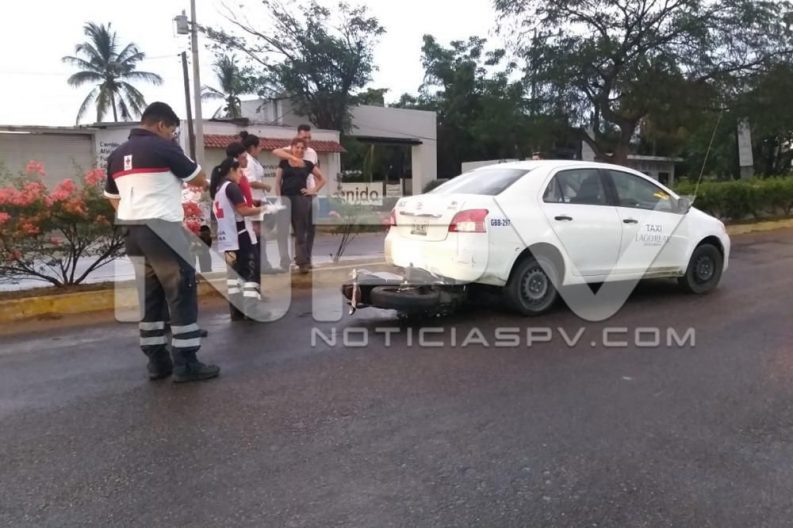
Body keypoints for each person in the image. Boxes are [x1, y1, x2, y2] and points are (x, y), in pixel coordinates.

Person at [104, 102, 219, 383]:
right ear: (161, 125)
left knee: (151, 296)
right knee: (180, 291)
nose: (172, 135)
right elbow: (199, 179)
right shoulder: (164, 147)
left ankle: (157, 362)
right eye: (172, 130)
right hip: (162, 230)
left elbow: (111, 196)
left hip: (132, 231)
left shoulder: (117, 155)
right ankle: (186, 363)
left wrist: (134, 212)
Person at [210, 157, 267, 320]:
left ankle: (236, 311)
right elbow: (243, 211)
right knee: (250, 272)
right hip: (241, 236)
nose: (241, 175)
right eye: (240, 171)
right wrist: (263, 209)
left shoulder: (218, 189)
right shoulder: (232, 188)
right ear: (232, 170)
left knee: (234, 276)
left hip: (227, 240)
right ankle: (253, 310)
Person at [275, 137, 326, 274]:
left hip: (301, 200)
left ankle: (302, 262)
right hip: (286, 199)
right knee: (282, 232)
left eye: (302, 148)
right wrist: (279, 198)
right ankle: (284, 262)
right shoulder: (284, 163)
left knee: (300, 232)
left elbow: (322, 179)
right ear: (292, 147)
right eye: (297, 147)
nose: (299, 150)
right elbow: (277, 182)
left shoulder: (308, 164)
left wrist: (312, 190)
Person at [239, 131, 288, 273]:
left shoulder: (254, 160)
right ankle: (261, 264)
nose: (261, 149)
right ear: (253, 147)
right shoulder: (247, 161)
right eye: (259, 146)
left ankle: (262, 263)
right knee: (258, 234)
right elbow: (250, 182)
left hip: (260, 199)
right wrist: (265, 186)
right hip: (255, 200)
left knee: (261, 234)